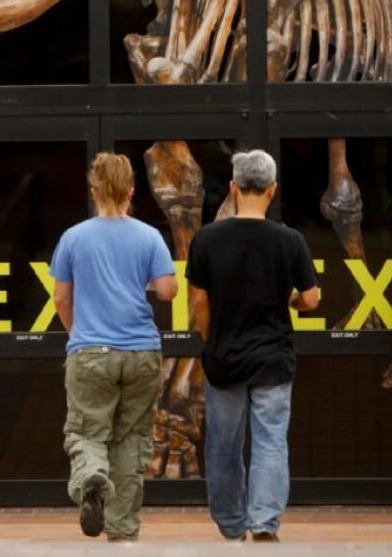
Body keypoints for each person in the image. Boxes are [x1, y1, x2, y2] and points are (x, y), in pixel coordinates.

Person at [188, 149, 320, 543]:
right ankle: (263, 523)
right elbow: (311, 300)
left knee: (223, 446)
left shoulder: (207, 238)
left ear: (232, 187)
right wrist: (292, 301)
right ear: (272, 190)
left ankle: (231, 525)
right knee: (270, 442)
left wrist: (214, 340)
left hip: (224, 357)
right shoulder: (290, 240)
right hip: (273, 357)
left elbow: (197, 302)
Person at [50, 152, 179, 541]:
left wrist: (77, 334)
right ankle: (122, 532)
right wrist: (144, 281)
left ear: (94, 191)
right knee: (131, 441)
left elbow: (60, 297)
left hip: (90, 352)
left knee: (87, 432)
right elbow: (170, 291)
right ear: (132, 191)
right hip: (141, 353)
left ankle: (92, 474)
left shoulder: (74, 237)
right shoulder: (149, 236)